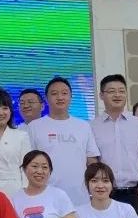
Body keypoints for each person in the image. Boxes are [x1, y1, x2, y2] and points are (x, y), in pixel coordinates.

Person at [28, 77, 100, 206]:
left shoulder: (83, 126)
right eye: (54, 93)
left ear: (71, 97)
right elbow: (27, 163)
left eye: (64, 93)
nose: (60, 97)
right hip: (45, 196)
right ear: (46, 98)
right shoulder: (34, 126)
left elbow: (91, 161)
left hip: (79, 198)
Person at [91, 75, 138, 208]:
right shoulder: (91, 127)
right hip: (106, 192)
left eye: (121, 91)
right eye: (111, 91)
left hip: (136, 192)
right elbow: (91, 161)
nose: (117, 95)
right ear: (101, 95)